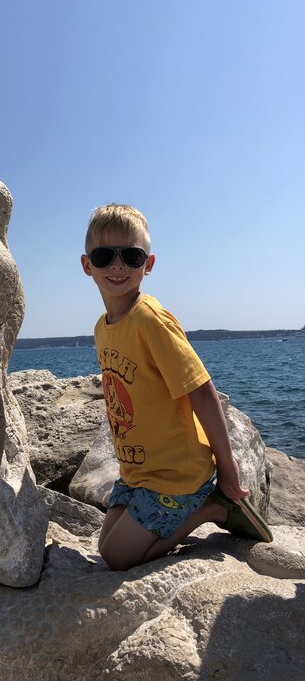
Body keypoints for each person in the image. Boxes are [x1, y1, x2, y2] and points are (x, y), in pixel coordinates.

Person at [81, 203, 272, 571]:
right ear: (88, 265)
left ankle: (210, 507)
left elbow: (202, 391)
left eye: (131, 256)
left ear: (148, 265)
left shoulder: (151, 320)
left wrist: (228, 467)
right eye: (105, 256)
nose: (118, 266)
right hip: (137, 473)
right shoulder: (102, 327)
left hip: (176, 474)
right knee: (105, 544)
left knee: (117, 557)